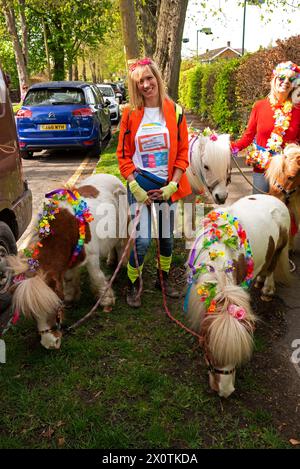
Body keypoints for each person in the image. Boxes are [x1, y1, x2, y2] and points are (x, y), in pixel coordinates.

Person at [116, 57, 192, 308]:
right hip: (140, 183)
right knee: (143, 239)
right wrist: (134, 186)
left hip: (166, 185)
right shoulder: (129, 114)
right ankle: (133, 282)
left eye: (149, 78)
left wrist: (174, 184)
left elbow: (183, 153)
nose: (146, 85)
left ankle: (164, 279)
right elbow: (122, 155)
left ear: (157, 78)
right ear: (135, 86)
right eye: (140, 81)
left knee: (167, 238)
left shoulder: (176, 112)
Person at [231, 61, 300, 194]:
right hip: (263, 166)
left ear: (294, 85)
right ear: (274, 80)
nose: (285, 82)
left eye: (291, 79)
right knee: (259, 206)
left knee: (285, 210)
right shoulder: (259, 106)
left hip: (287, 171)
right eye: (282, 78)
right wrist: (232, 147)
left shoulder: (297, 110)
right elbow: (248, 135)